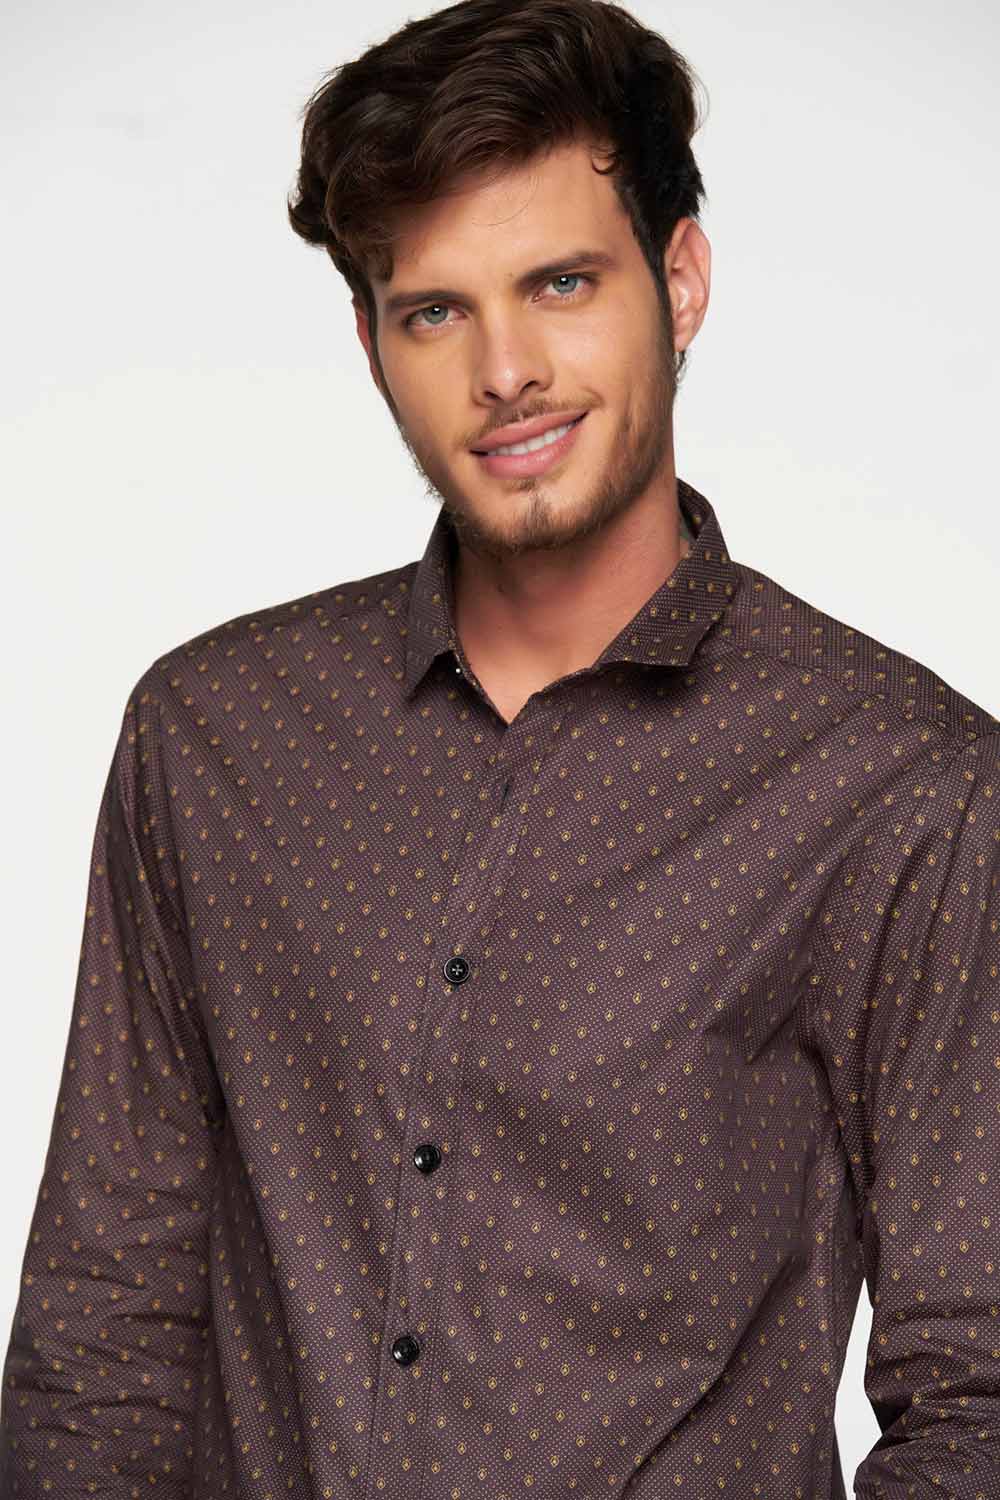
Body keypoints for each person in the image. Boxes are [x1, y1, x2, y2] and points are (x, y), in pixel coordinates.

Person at [3, 0, 998, 1495]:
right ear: (370, 343)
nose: (506, 369)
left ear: (680, 281)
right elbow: (104, 1323)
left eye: (562, 283)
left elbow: (980, 1392)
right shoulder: (213, 738)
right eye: (436, 311)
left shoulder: (902, 787)